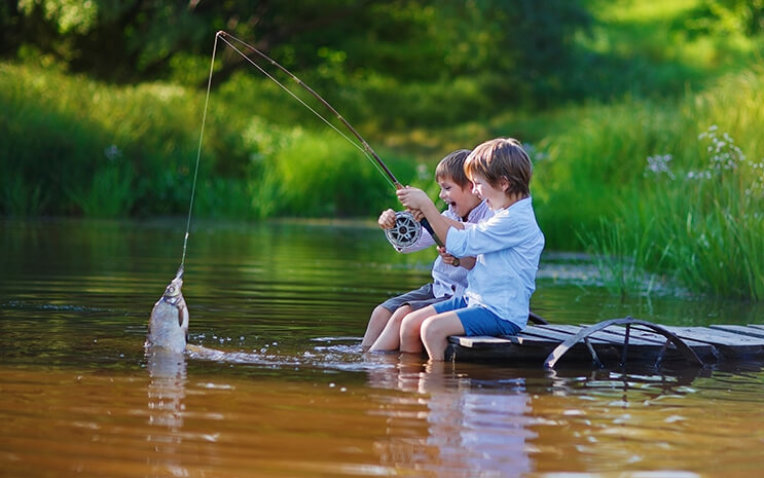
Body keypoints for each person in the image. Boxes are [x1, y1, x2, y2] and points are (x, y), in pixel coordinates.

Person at [394, 137, 544, 361]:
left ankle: (439, 388)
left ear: (503, 183)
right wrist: (429, 215)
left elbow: (461, 243)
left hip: (499, 312)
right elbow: (465, 234)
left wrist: (427, 206)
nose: (475, 191)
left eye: (478, 184)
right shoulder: (503, 214)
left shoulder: (515, 220)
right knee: (410, 323)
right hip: (475, 300)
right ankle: (410, 383)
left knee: (431, 329)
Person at [361, 149, 492, 351]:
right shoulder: (449, 214)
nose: (442, 195)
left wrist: (429, 212)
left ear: (471, 186)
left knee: (402, 316)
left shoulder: (490, 217)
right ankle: (363, 357)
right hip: (438, 289)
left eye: (447, 188)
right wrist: (394, 224)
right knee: (381, 312)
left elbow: (472, 235)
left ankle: (375, 367)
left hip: (463, 297)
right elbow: (409, 245)